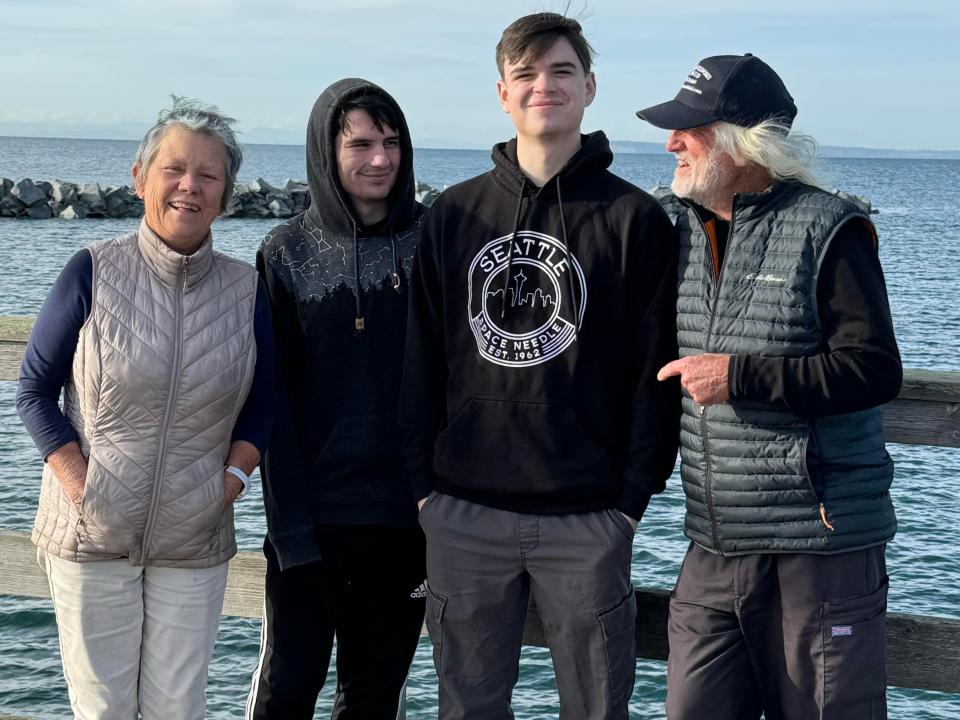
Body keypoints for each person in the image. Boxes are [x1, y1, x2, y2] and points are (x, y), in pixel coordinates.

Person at [401, 13, 680, 720]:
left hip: (587, 516)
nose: (543, 87)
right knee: (467, 709)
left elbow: (657, 370)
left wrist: (631, 500)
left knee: (595, 709)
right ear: (502, 93)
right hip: (463, 511)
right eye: (526, 74)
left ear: (589, 87)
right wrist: (424, 492)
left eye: (560, 71)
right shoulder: (453, 215)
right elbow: (420, 359)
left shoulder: (636, 219)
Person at [636, 54, 902, 719]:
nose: (670, 143)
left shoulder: (829, 228)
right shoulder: (678, 226)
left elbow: (874, 368)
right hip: (713, 542)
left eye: (687, 130)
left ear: (739, 140)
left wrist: (740, 376)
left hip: (820, 549)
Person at [16, 96, 276, 720]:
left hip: (195, 537)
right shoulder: (92, 270)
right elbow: (34, 389)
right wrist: (83, 487)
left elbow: (266, 402)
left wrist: (230, 483)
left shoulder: (248, 290)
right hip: (90, 534)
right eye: (174, 169)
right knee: (102, 709)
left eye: (209, 175)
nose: (190, 186)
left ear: (227, 195)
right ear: (140, 179)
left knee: (177, 708)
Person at [245, 79, 426, 720]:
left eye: (392, 142)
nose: (380, 159)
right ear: (327, 149)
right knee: (287, 694)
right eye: (361, 143)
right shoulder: (285, 251)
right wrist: (289, 530)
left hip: (409, 523)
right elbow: (271, 402)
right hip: (312, 523)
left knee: (373, 700)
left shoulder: (433, 243)